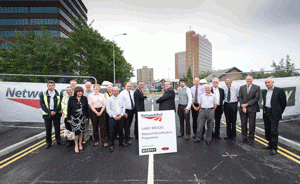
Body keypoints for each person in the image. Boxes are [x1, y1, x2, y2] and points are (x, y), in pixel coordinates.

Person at [262, 78, 286, 155]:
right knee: (267, 129)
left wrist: (279, 113)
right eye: (266, 82)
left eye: (268, 82)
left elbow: (283, 103)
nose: (267, 84)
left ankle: (274, 148)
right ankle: (269, 144)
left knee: (274, 131)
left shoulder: (279, 90)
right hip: (266, 112)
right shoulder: (264, 91)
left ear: (273, 82)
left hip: (274, 114)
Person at [39, 80, 64, 149]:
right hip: (47, 114)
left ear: (54, 86)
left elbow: (61, 103)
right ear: (47, 86)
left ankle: (58, 140)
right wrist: (49, 112)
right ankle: (48, 142)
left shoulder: (59, 93)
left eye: (52, 85)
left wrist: (55, 111)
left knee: (57, 128)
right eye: (49, 85)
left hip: (56, 113)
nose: (51, 87)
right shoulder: (42, 94)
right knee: (48, 129)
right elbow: (42, 104)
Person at [239, 75, 260, 145]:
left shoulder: (257, 87)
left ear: (253, 79)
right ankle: (244, 138)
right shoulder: (242, 87)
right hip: (243, 108)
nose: (249, 80)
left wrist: (247, 104)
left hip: (252, 108)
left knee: (252, 124)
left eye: (250, 79)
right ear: (245, 80)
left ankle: (251, 138)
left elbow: (256, 98)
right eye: (248, 79)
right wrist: (243, 107)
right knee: (243, 124)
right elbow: (240, 97)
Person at [67, 86, 89, 153]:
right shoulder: (71, 98)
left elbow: (86, 108)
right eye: (78, 92)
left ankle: (80, 143)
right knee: (76, 133)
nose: (80, 93)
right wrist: (68, 118)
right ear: (76, 92)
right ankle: (76, 144)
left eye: (81, 92)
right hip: (74, 118)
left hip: (82, 118)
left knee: (81, 132)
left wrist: (87, 117)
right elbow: (69, 109)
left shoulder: (84, 98)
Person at [106, 87, 127, 152]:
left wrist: (121, 114)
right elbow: (108, 109)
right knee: (112, 131)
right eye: (115, 91)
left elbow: (123, 107)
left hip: (120, 116)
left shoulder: (121, 98)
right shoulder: (109, 99)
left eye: (117, 91)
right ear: (112, 91)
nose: (116, 92)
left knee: (121, 130)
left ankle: (121, 142)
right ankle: (111, 144)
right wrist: (114, 116)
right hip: (113, 117)